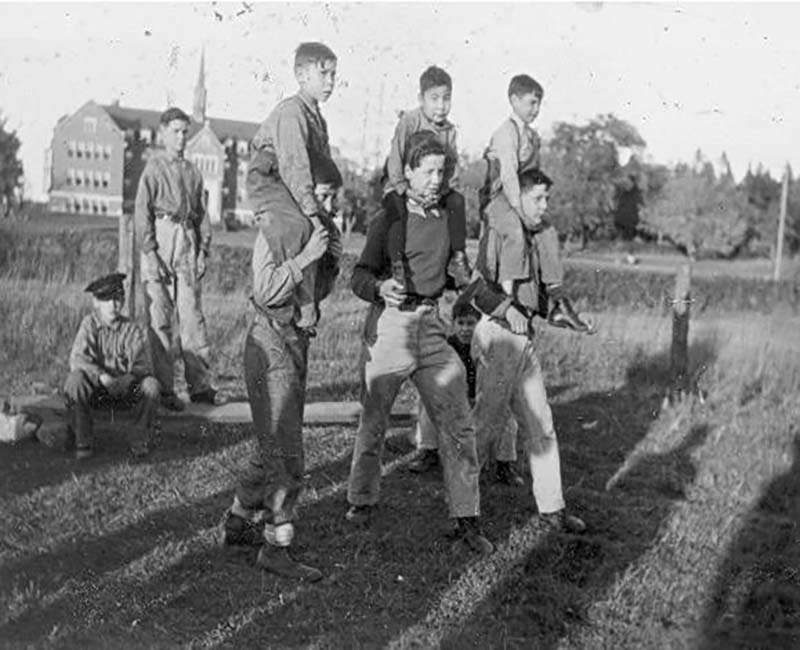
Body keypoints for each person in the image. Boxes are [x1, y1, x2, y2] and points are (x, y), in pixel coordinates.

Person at [345, 132, 493, 557]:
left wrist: (475, 289)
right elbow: (358, 276)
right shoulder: (387, 220)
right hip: (391, 326)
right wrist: (378, 286)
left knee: (459, 421)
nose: (434, 179)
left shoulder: (448, 218)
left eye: (440, 171)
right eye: (426, 171)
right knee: (374, 420)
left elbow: (453, 273)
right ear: (408, 172)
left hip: (430, 325)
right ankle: (361, 501)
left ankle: (467, 519)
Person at [219, 81, 343, 582]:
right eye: (324, 196)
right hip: (269, 340)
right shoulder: (277, 229)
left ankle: (236, 521)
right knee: (288, 453)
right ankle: (276, 546)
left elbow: (315, 294)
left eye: (335, 198)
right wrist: (308, 257)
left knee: (269, 448)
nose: (328, 207)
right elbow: (270, 291)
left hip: (294, 341)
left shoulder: (314, 230)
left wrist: (329, 259)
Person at [470, 168, 587, 534]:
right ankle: (460, 508)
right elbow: (477, 289)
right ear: (517, 197)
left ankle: (552, 509)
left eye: (547, 198)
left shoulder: (535, 239)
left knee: (541, 425)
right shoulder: (500, 230)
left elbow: (538, 299)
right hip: (499, 337)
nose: (544, 205)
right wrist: (508, 311)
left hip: (522, 342)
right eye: (538, 198)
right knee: (484, 427)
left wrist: (567, 317)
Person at [482, 74, 592, 333]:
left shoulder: (532, 136)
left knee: (547, 230)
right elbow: (509, 176)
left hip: (521, 199)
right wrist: (521, 211)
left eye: (539, 104)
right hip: (500, 200)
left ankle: (557, 301)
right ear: (514, 100)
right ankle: (507, 299)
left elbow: (534, 177)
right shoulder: (505, 133)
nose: (536, 109)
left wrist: (535, 208)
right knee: (515, 231)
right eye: (531, 103)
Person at [246, 41, 342, 334]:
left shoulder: (317, 118)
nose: (330, 81)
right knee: (301, 228)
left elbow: (321, 165)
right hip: (271, 176)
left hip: (297, 182)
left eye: (334, 75)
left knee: (331, 241)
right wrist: (313, 213)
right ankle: (295, 307)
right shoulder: (292, 112)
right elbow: (294, 166)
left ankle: (310, 299)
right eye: (323, 73)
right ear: (301, 75)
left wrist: (324, 213)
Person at [135, 106, 218, 412]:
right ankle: (165, 389)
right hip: (160, 235)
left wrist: (202, 250)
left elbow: (201, 215)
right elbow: (142, 213)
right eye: (176, 131)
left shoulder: (193, 172)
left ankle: (200, 385)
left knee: (192, 316)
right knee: (160, 319)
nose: (182, 138)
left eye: (185, 132)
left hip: (186, 240)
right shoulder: (153, 169)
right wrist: (150, 252)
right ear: (162, 133)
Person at [408, 300, 525, 487]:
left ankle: (505, 465)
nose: (465, 329)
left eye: (471, 324)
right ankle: (428, 451)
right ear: (453, 324)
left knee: (507, 412)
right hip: (455, 401)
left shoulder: (488, 346)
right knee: (426, 399)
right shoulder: (447, 346)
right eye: (460, 323)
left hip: (481, 400)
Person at [383, 65, 471, 289]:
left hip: (434, 188)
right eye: (434, 99)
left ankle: (458, 258)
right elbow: (395, 160)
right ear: (421, 98)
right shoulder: (410, 121)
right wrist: (407, 190)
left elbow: (451, 170)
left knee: (457, 202)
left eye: (446, 99)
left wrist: (438, 193)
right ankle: (397, 264)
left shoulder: (450, 131)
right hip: (404, 185)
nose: (441, 106)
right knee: (395, 207)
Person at [63, 273, 160, 460]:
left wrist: (128, 378)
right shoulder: (89, 324)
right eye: (107, 300)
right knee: (75, 381)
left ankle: (139, 440)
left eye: (118, 298)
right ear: (96, 303)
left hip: (125, 391)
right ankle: (83, 442)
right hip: (97, 391)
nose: (114, 305)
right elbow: (78, 359)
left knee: (151, 386)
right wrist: (101, 376)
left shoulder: (131, 329)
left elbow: (144, 364)